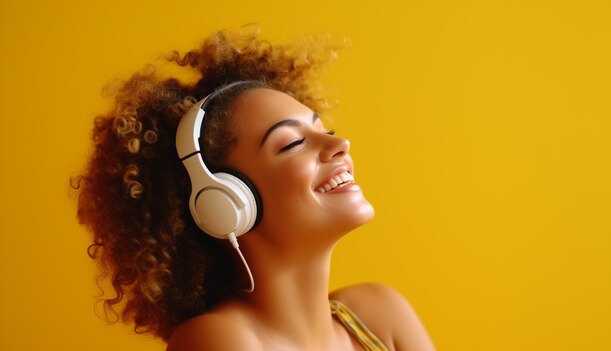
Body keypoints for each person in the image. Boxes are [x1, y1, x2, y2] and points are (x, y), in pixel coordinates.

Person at [76, 27, 436, 351]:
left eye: (323, 131)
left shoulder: (379, 314)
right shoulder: (216, 340)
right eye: (292, 143)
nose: (340, 143)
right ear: (224, 203)